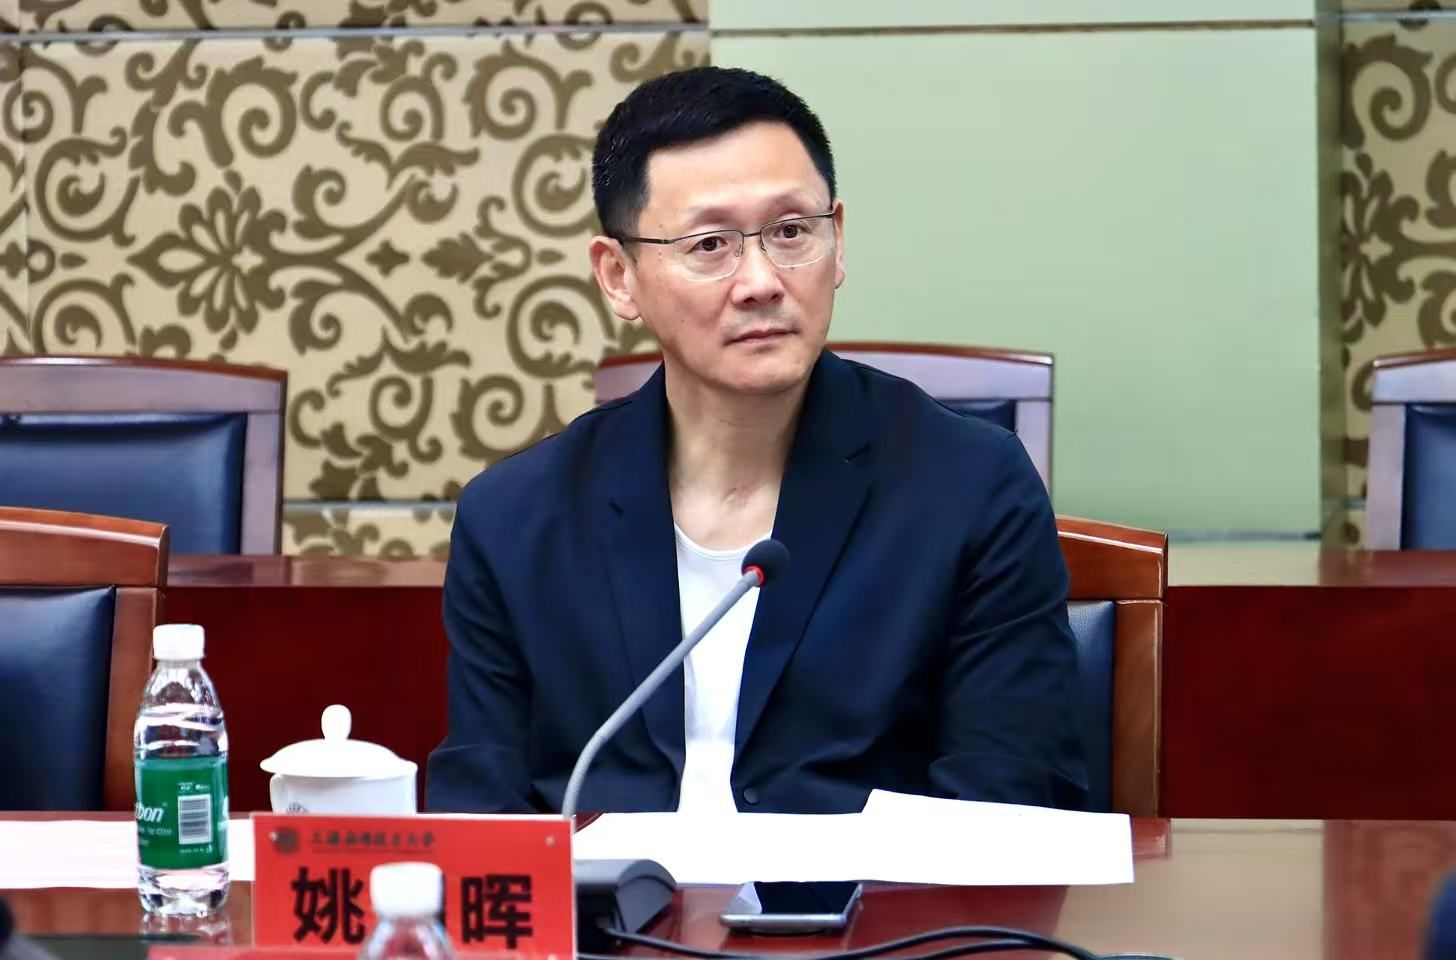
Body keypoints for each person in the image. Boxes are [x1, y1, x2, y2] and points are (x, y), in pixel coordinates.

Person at [425, 66, 1087, 815]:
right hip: (605, 898)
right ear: (618, 276)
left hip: (870, 896)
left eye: (791, 232)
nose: (761, 281)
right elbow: (478, 815)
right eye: (710, 244)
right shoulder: (516, 520)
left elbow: (1009, 804)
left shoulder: (968, 488)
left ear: (838, 241)